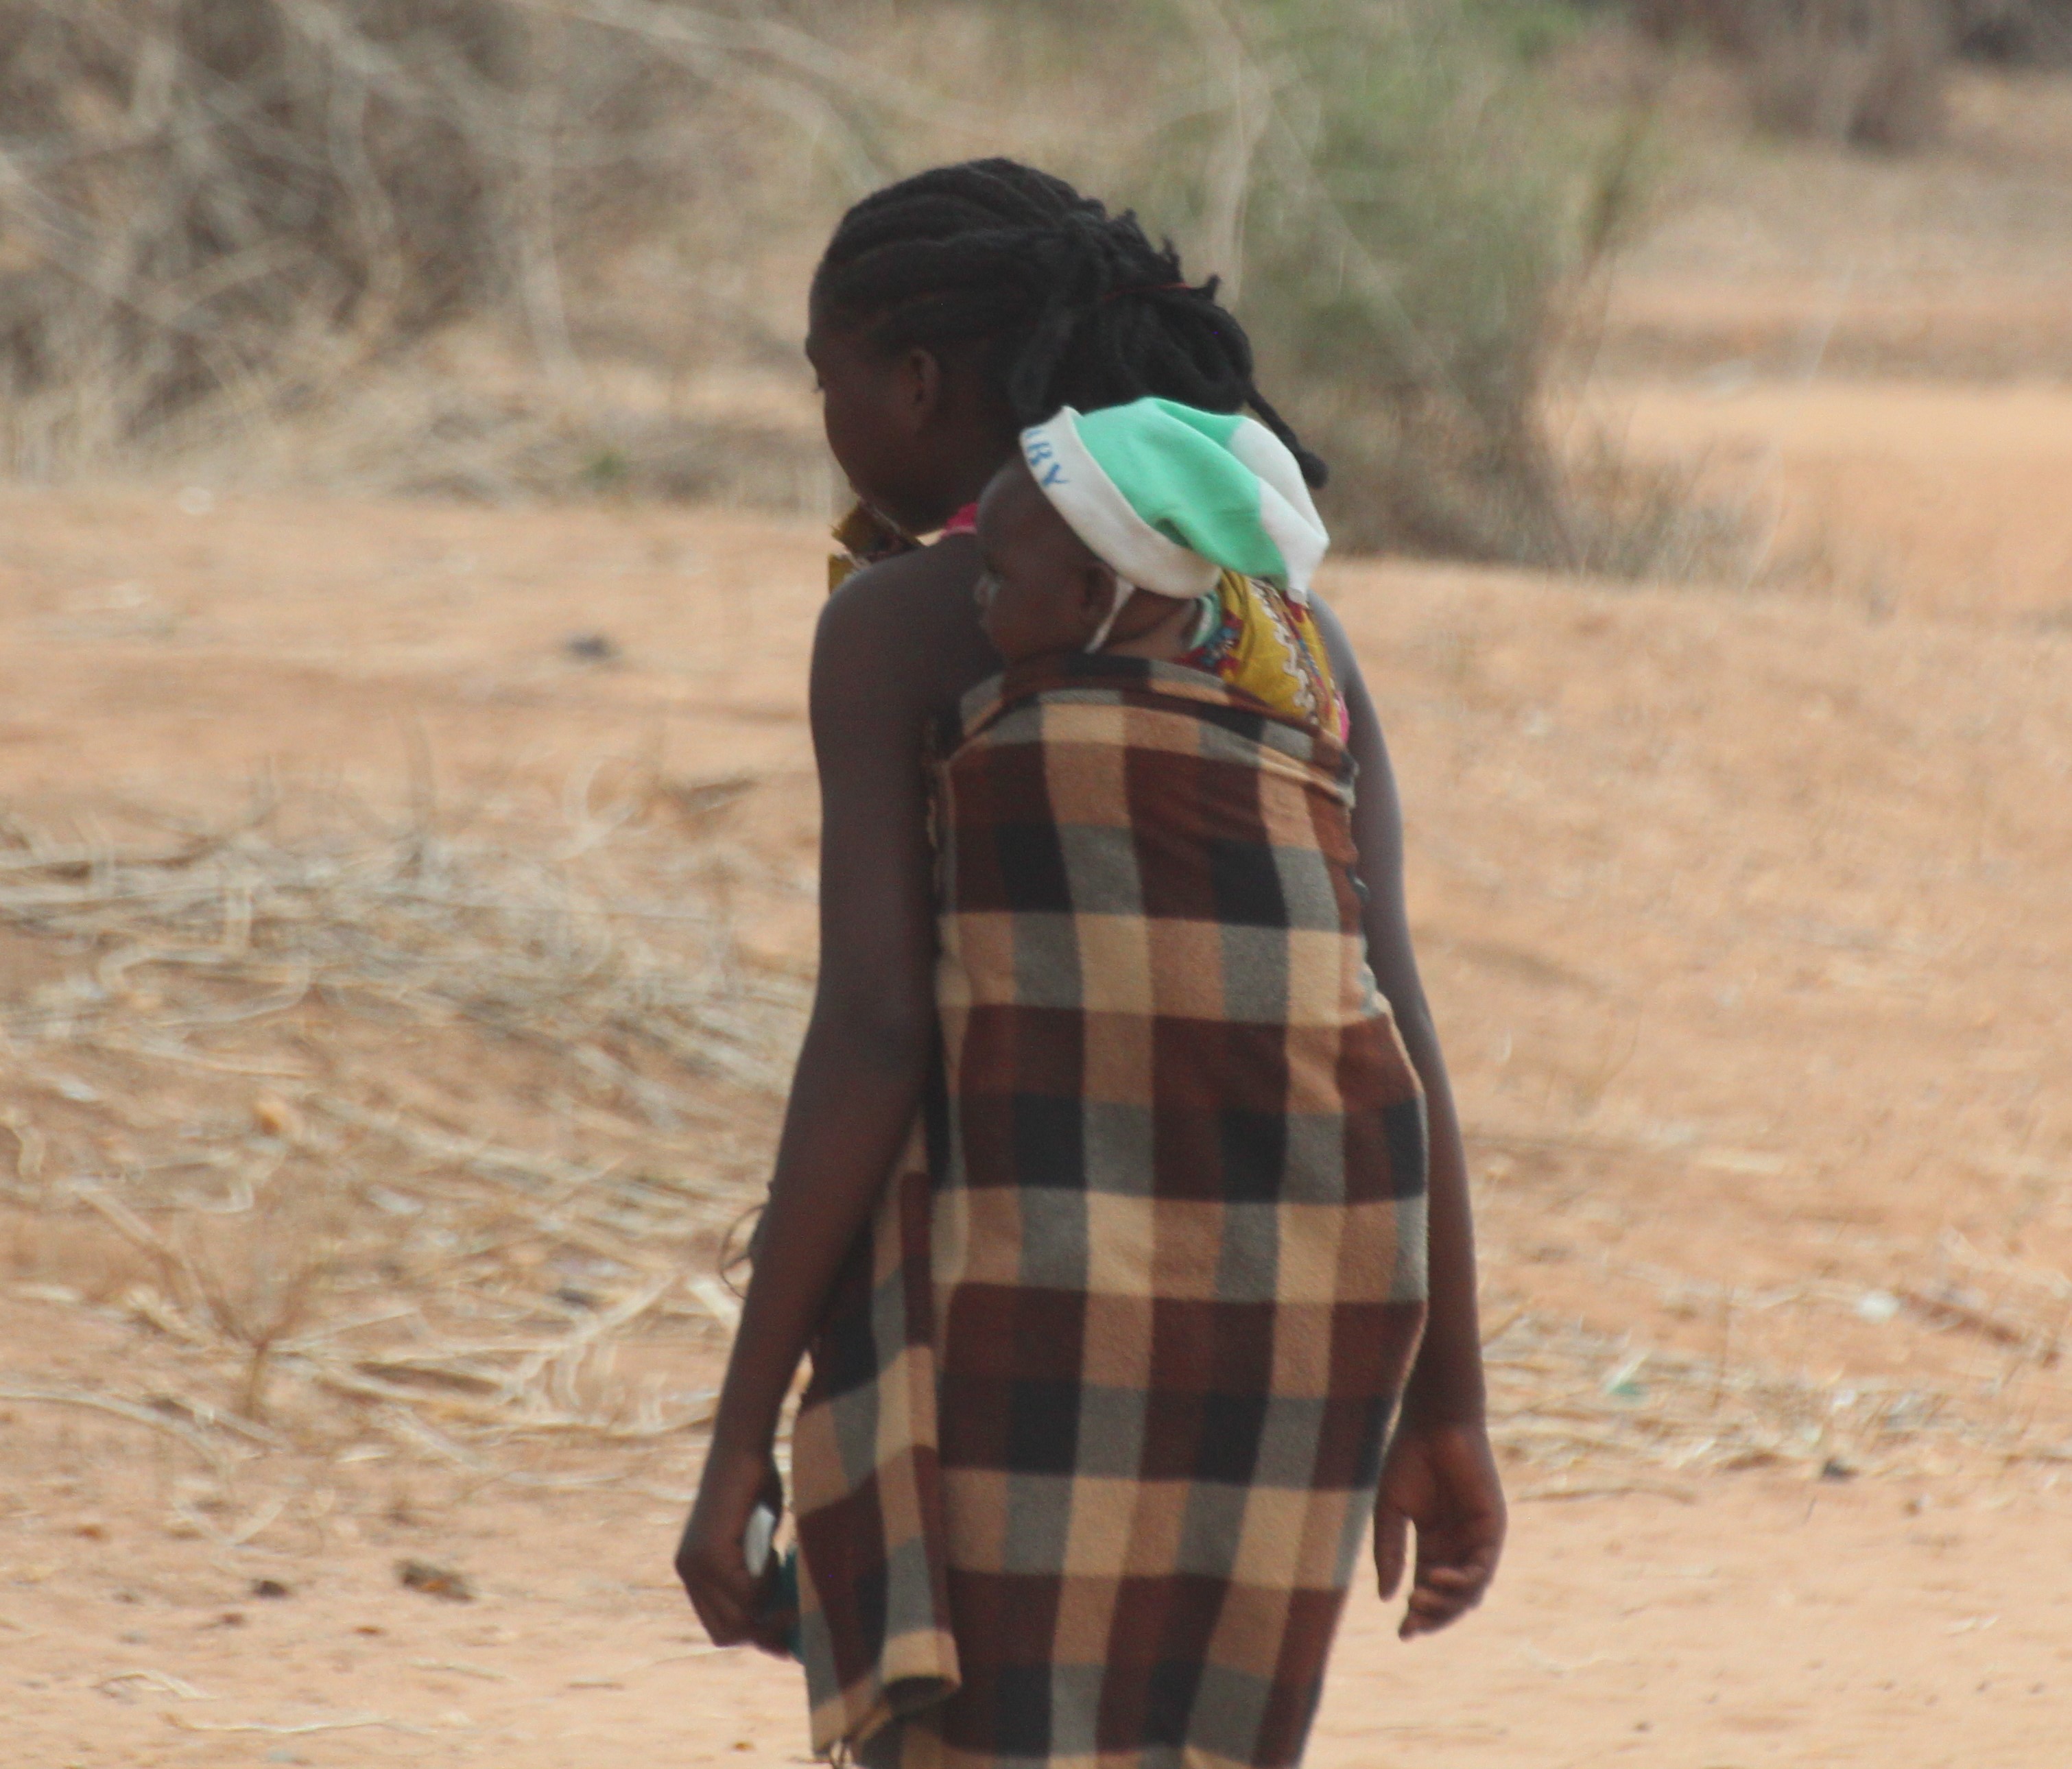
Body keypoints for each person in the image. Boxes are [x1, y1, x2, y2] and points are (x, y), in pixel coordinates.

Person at [677, 159, 1504, 1766]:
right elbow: (1394, 1023)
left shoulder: (901, 628)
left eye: (827, 378)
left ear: (917, 384)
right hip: (1300, 1305)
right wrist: (1448, 1399)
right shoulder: (1297, 640)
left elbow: (872, 1033)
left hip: (1021, 1309)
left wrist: (737, 1436)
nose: (826, 418)